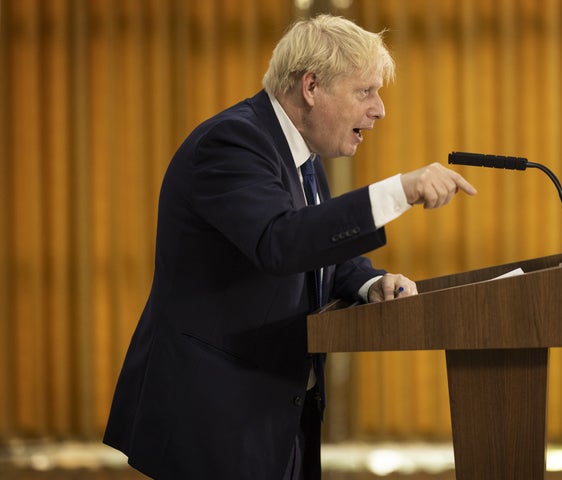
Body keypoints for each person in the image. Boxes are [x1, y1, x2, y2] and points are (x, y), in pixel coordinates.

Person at [103, 14, 476, 480]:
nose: (379, 109)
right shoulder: (233, 142)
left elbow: (319, 249)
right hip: (216, 418)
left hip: (277, 416)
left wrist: (370, 282)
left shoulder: (300, 155)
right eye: (365, 91)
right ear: (311, 86)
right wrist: (398, 191)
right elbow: (279, 242)